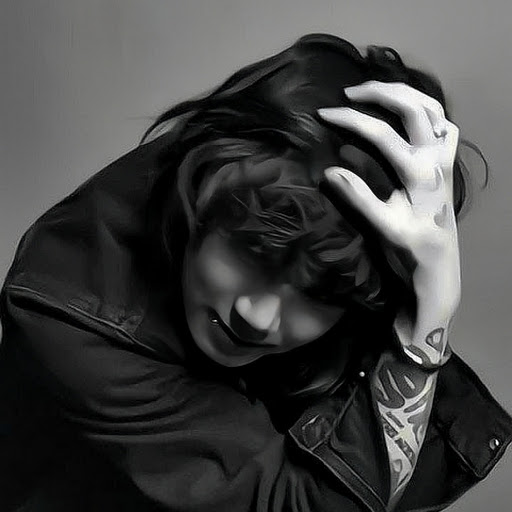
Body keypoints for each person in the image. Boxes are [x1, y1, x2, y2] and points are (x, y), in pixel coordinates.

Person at [0, 33, 510, 512]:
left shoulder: (338, 241)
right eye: (252, 252)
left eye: (318, 292)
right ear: (197, 191)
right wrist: (428, 321)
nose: (257, 316)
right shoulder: (69, 316)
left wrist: (430, 284)